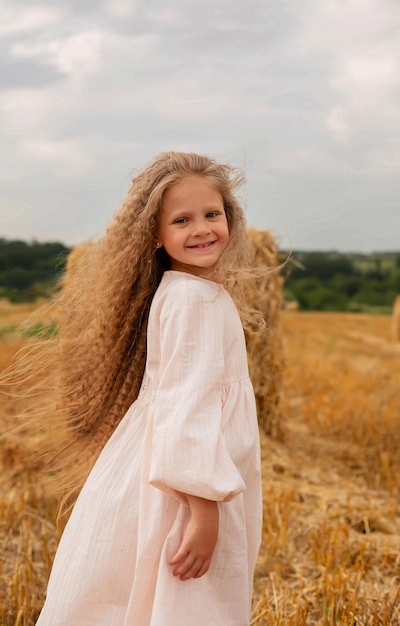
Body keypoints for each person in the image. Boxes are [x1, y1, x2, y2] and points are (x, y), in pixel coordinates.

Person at [35, 151, 262, 626]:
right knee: (187, 601)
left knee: (141, 593)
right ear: (156, 236)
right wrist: (204, 510)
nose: (201, 228)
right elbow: (187, 411)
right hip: (187, 484)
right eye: (182, 219)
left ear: (230, 218)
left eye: (211, 214)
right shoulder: (194, 300)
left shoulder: (183, 290)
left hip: (167, 471)